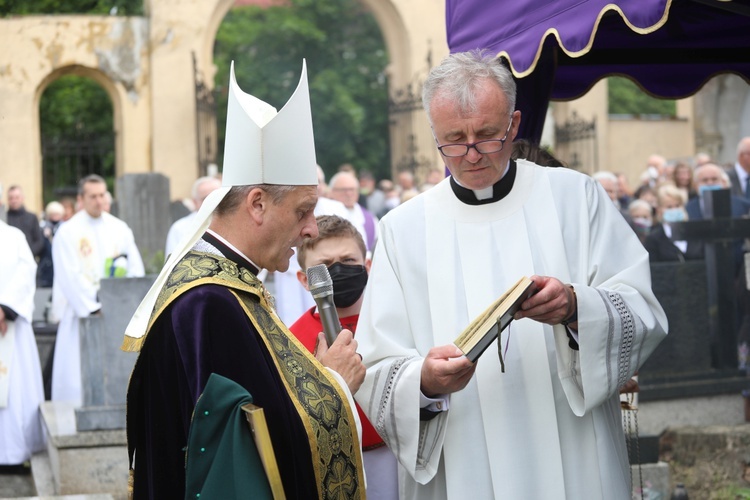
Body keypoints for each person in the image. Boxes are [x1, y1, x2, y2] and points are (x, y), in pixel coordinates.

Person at [354, 50, 668, 500]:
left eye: (486, 135)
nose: (471, 154)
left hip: (573, 445)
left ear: (514, 125)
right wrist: (422, 381)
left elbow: (642, 309)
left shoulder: (575, 198)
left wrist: (577, 308)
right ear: (433, 134)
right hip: (464, 456)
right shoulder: (402, 231)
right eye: (453, 140)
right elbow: (378, 367)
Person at [123, 61, 366, 499]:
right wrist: (334, 387)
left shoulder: (231, 287)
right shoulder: (208, 303)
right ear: (256, 204)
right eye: (302, 210)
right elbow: (243, 454)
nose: (311, 228)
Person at [289, 215, 398, 500]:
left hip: (396, 454)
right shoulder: (293, 337)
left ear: (368, 266)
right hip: (330, 462)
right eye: (323, 266)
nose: (336, 271)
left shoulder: (396, 321)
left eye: (348, 261)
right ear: (304, 279)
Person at [51, 174, 145, 404]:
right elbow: (68, 275)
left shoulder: (119, 228)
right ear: (81, 199)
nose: (99, 200)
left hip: (117, 315)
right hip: (83, 313)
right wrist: (93, 306)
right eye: (92, 196)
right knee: (79, 377)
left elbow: (135, 268)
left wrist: (123, 303)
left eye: (102, 194)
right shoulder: (68, 231)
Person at [0, 220, 45, 469]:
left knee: (13, 389)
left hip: (10, 326)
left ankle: (12, 454)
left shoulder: (13, 236)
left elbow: (26, 273)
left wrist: (4, 308)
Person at [164, 176, 222, 257]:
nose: (214, 202)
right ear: (195, 202)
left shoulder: (233, 224)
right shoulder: (179, 228)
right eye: (206, 198)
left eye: (218, 197)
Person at [644, 184, 703, 262]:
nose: (674, 210)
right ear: (659, 210)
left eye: (677, 205)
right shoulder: (654, 238)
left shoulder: (695, 232)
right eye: (669, 207)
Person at [329, 171, 379, 255]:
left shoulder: (370, 218)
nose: (349, 194)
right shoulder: (326, 213)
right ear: (332, 191)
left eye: (352, 189)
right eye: (344, 190)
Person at [6, 185, 45, 259]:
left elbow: (39, 241)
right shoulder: (4, 218)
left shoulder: (31, 217)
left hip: (28, 259)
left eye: (17, 197)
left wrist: (27, 254)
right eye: (11, 198)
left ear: (22, 198)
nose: (14, 201)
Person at [37, 201, 65, 288]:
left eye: (57, 214)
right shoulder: (43, 227)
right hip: (46, 264)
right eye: (53, 214)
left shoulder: (64, 228)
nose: (55, 217)